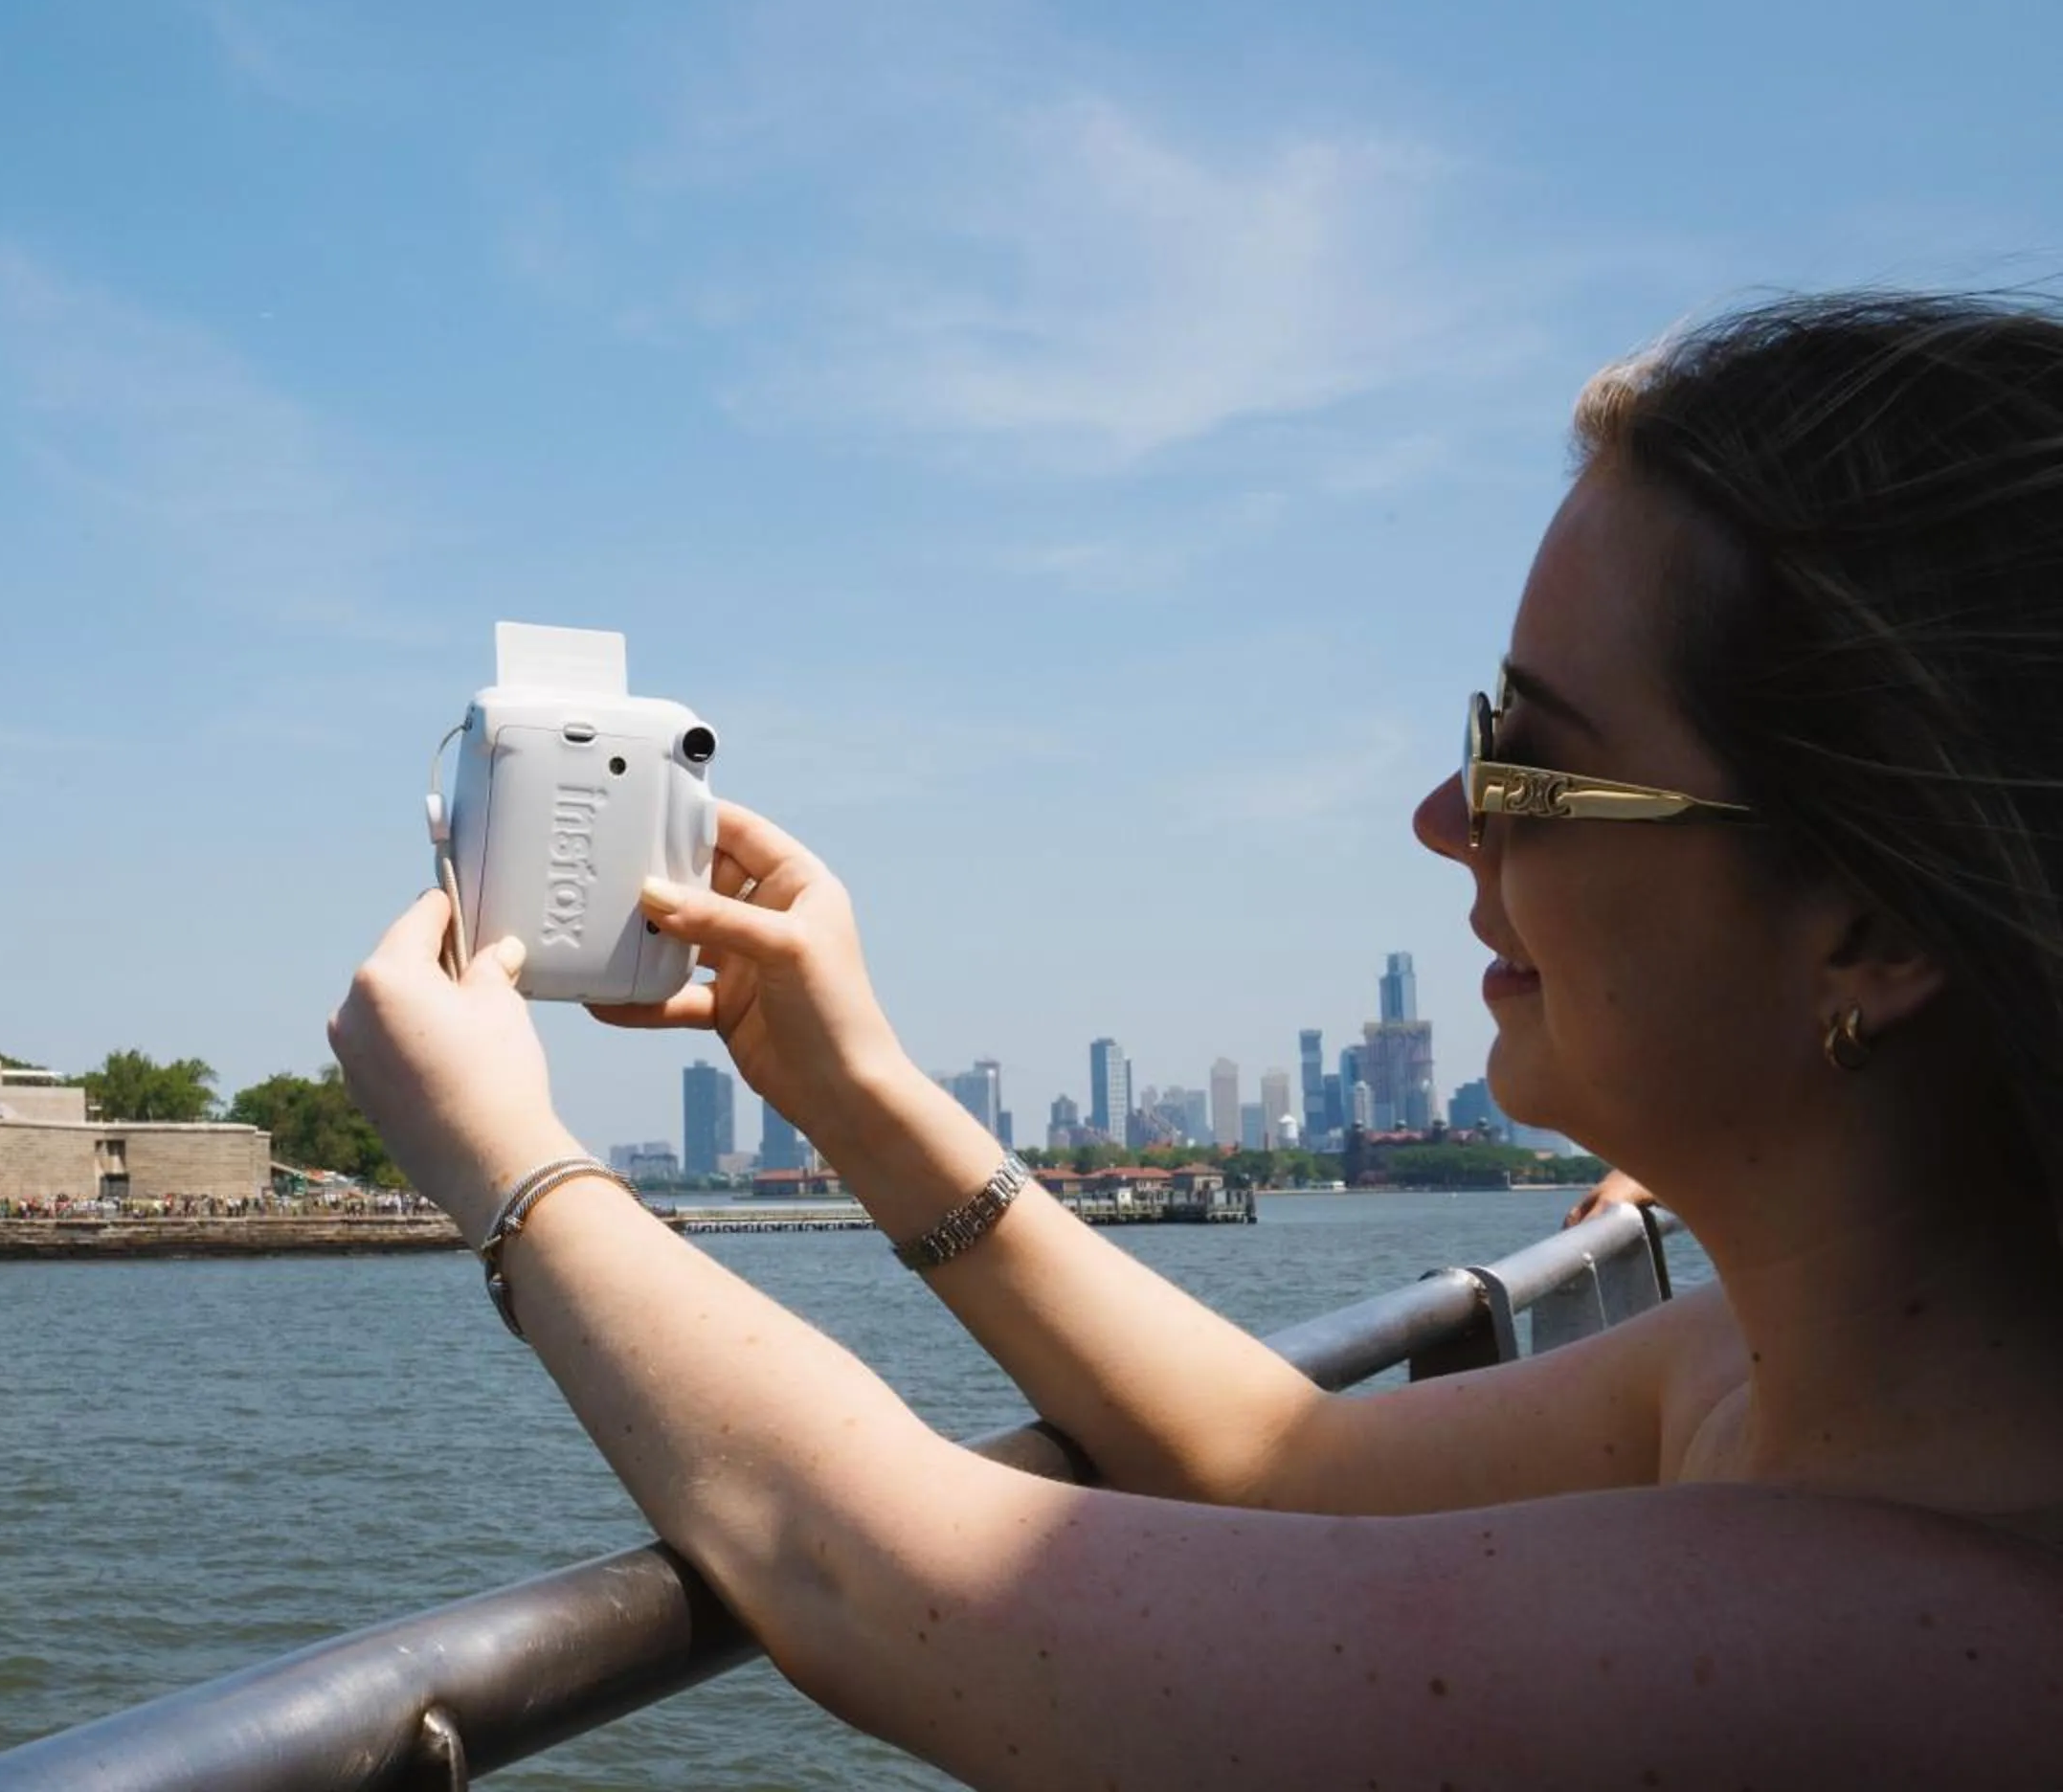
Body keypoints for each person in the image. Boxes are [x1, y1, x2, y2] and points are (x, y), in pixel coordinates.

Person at [331, 293, 2063, 1787]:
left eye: (1533, 759)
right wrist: (850, 1084)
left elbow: (875, 1571)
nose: (1446, 816)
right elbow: (1270, 1459)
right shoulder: (1753, 1386)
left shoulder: (1885, 1657)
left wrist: (512, 1160)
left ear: (1873, 921)